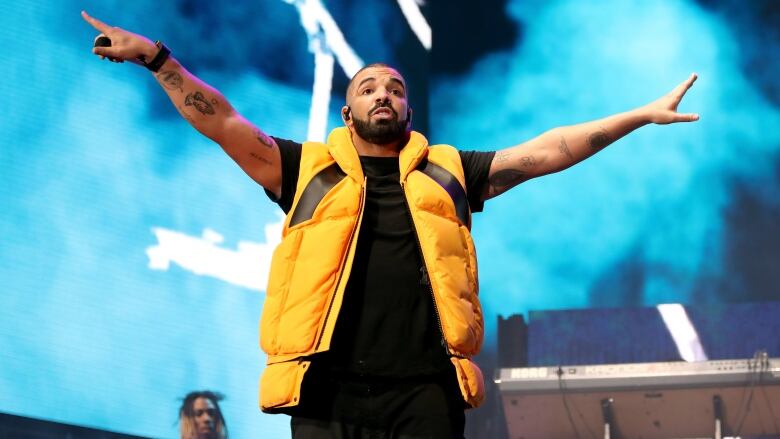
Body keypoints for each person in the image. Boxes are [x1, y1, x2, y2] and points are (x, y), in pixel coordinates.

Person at [82, 10, 699, 439]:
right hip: (325, 389)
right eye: (368, 87)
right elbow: (220, 121)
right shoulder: (304, 168)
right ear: (347, 110)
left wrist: (640, 116)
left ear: (407, 108)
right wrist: (156, 58)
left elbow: (549, 150)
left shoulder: (451, 171)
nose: (384, 94)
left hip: (424, 392)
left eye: (396, 88)